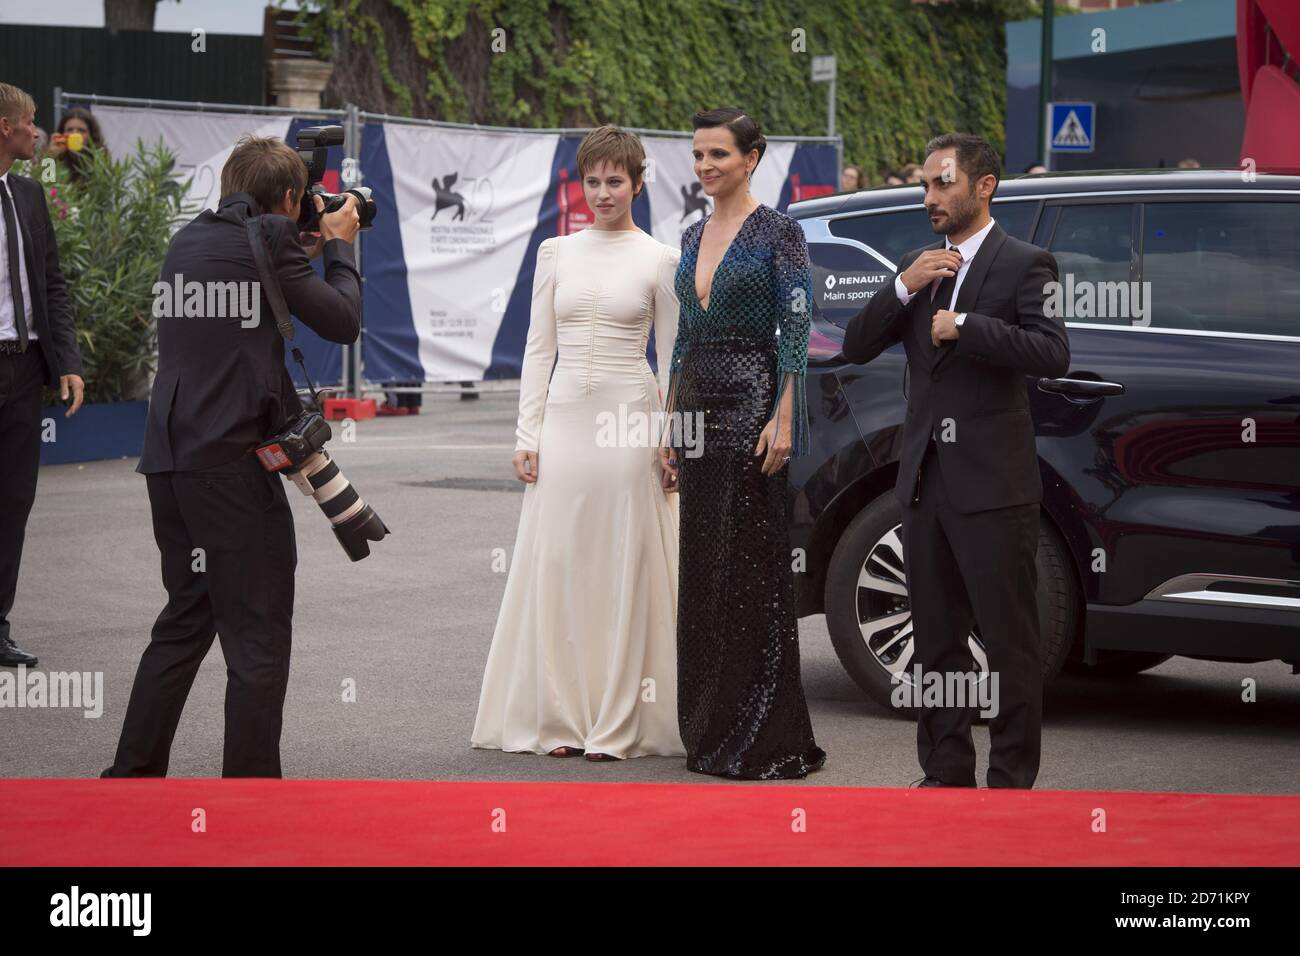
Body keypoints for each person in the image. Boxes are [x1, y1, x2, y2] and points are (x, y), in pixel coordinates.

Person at [102, 135, 361, 778]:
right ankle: (249, 793)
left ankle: (132, 778)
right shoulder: (272, 240)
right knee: (258, 634)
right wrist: (342, 245)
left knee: (186, 620)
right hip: (230, 471)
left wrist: (305, 235)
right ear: (289, 200)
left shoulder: (188, 239)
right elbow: (342, 321)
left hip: (169, 462)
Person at [842, 133, 1069, 789]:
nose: (929, 196)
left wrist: (966, 327)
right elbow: (857, 344)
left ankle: (1009, 779)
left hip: (995, 487)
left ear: (983, 185)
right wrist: (901, 286)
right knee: (936, 641)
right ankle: (944, 772)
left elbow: (1053, 352)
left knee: (1008, 642)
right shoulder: (919, 263)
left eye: (942, 183)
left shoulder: (1030, 264)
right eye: (923, 185)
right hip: (924, 486)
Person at [471, 126, 684, 762]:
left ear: (638, 185)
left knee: (623, 561)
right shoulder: (554, 253)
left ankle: (621, 719)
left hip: (630, 422)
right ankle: (560, 717)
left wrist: (670, 439)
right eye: (592, 181)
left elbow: (673, 359)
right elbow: (539, 350)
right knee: (560, 560)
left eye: (615, 180)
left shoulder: (660, 259)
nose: (602, 192)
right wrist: (526, 433)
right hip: (563, 422)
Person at [659, 108, 825, 779]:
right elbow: (680, 338)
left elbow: (795, 328)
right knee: (703, 568)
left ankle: (764, 734)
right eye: (698, 156)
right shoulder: (693, 232)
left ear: (751, 158)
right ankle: (708, 728)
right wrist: (669, 423)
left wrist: (785, 416)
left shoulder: (780, 233)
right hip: (697, 402)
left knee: (752, 570)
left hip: (753, 399)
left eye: (718, 155)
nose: (704, 167)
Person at [0, 83, 85, 669]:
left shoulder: (28, 195)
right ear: (5, 127)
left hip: (22, 367)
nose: (38, 131)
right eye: (30, 122)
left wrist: (68, 363)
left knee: (12, 501)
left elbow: (52, 285)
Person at [48, 108, 107, 184]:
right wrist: (50, 157)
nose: (74, 134)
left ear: (91, 136)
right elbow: (46, 185)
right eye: (69, 130)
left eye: (81, 130)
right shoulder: (56, 159)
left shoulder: (99, 159)